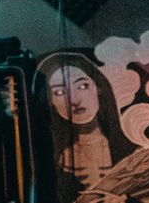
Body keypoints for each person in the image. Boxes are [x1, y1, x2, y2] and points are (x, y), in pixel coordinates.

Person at [36, 52, 138, 201]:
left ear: (99, 88)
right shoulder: (49, 162)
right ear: (50, 103)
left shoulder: (132, 154)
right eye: (59, 92)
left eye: (83, 86)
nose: (74, 99)